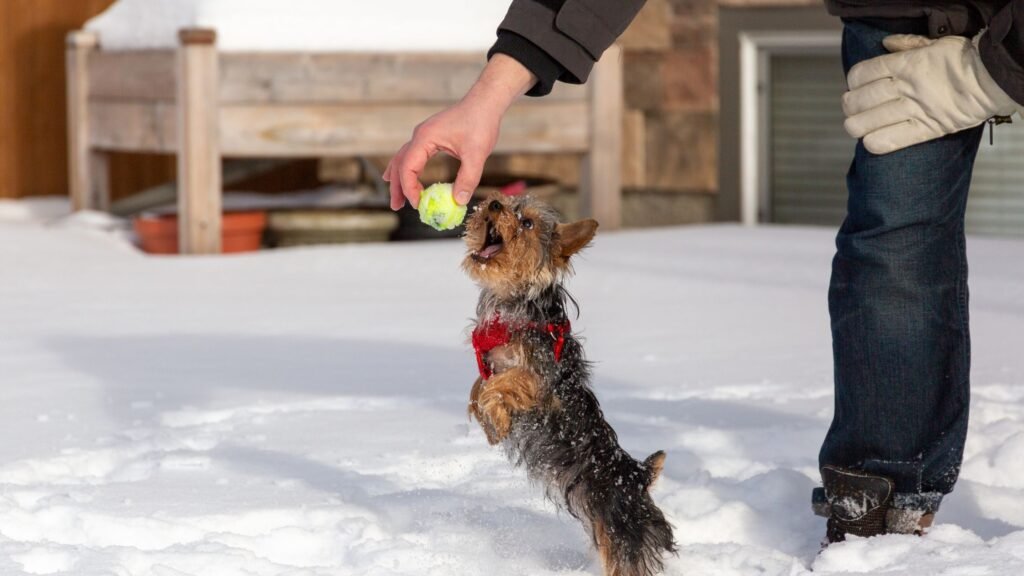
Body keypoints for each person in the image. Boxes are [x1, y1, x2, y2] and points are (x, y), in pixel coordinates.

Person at [385, 0, 1024, 544]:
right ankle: (880, 509)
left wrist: (997, 69)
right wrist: (491, 93)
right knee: (894, 246)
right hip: (898, 15)